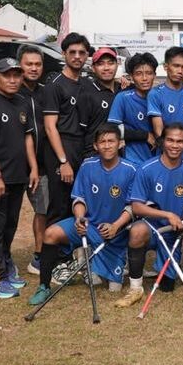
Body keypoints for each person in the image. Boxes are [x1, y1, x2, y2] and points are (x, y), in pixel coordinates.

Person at [29, 123, 136, 305]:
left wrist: (116, 226)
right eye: (102, 142)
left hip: (115, 232)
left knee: (114, 288)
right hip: (88, 226)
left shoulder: (131, 169)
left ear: (120, 144)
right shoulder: (87, 166)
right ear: (95, 146)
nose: (107, 145)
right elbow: (79, 198)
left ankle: (105, 262)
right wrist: (80, 218)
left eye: (111, 141)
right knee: (50, 234)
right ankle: (44, 286)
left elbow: (133, 206)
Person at [114, 123, 183, 307]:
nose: (175, 145)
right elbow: (137, 207)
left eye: (180, 141)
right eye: (170, 140)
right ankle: (136, 288)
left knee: (167, 286)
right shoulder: (146, 169)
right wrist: (167, 214)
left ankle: (166, 269)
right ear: (162, 141)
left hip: (173, 232)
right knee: (137, 231)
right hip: (151, 227)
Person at [0, 58, 40, 298]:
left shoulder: (22, 102)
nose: (13, 80)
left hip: (18, 177)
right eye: (7, 75)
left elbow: (27, 138)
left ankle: (5, 267)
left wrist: (33, 168)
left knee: (9, 226)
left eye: (17, 75)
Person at [43, 33, 91, 223]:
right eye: (72, 52)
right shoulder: (55, 86)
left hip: (81, 146)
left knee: (78, 201)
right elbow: (50, 127)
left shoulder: (86, 84)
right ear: (64, 54)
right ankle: (52, 242)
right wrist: (63, 161)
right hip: (61, 146)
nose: (77, 56)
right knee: (59, 204)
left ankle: (73, 242)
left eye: (82, 52)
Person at [17, 44, 51, 276]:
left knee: (43, 209)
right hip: (13, 165)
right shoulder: (9, 90)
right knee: (7, 217)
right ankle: (1, 260)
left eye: (38, 64)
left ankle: (39, 256)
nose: (33, 68)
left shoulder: (47, 92)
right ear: (19, 64)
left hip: (42, 165)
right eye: (28, 64)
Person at [148, 46, 183, 163]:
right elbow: (159, 131)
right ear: (166, 66)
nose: (180, 71)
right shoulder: (155, 94)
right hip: (166, 158)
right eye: (176, 66)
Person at [108, 52, 159, 167]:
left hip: (160, 162)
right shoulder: (123, 98)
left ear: (154, 75)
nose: (144, 78)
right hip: (132, 162)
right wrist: (144, 135)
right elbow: (112, 129)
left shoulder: (161, 97)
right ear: (131, 76)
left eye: (149, 73)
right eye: (139, 74)